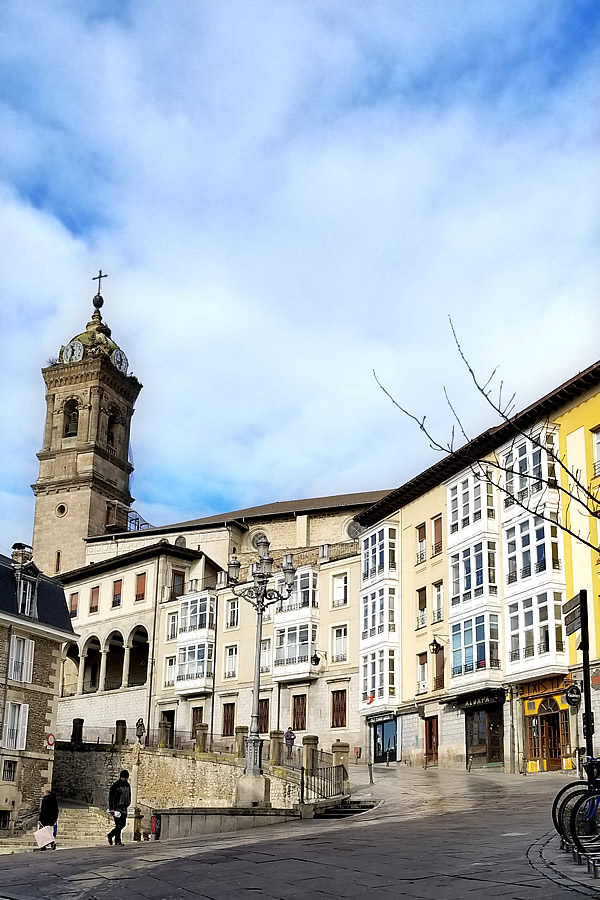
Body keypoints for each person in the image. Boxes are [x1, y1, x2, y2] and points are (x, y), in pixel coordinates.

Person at [107, 769, 131, 846]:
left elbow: (129, 794)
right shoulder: (116, 785)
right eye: (125, 777)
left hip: (124, 807)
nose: (126, 779)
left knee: (122, 824)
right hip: (117, 808)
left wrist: (128, 802)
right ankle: (117, 840)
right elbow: (111, 797)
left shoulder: (127, 785)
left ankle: (111, 835)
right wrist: (112, 808)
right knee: (119, 825)